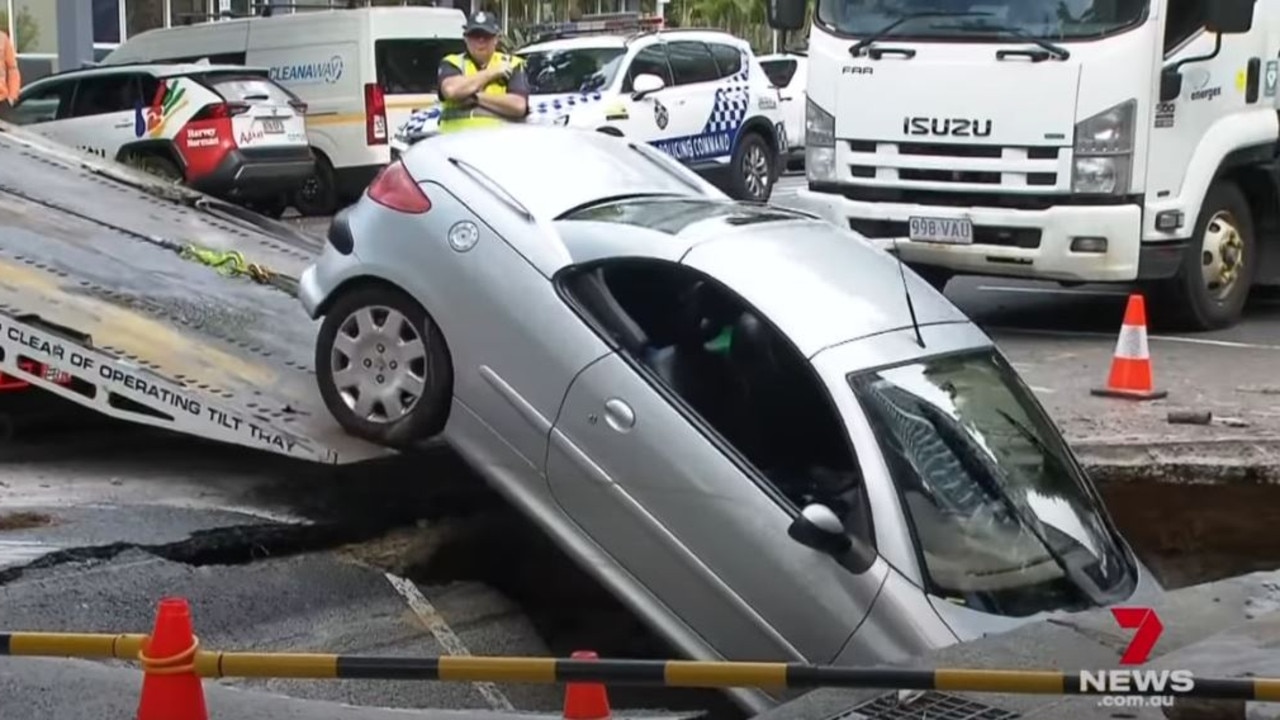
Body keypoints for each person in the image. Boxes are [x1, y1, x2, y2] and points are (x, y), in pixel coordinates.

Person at [436, 10, 529, 133]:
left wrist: (476, 97)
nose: (481, 41)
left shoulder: (513, 63)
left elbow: (518, 106)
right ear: (466, 38)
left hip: (496, 141)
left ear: (496, 39)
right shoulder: (452, 62)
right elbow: (451, 90)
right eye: (475, 35)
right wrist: (491, 73)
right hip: (454, 141)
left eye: (486, 36)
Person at [0, 29, 20, 121]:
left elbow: (12, 68)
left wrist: (12, 95)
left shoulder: (2, 38)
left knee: (7, 134)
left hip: (2, 101)